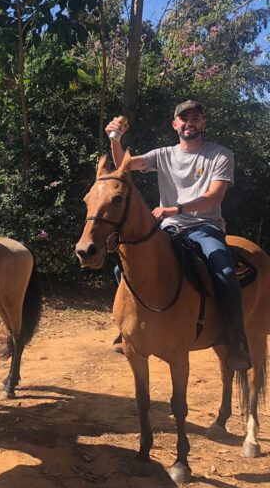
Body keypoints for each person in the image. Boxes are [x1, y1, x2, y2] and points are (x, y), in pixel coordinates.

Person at [106, 100, 251, 370]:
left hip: (205, 227)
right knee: (123, 269)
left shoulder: (220, 155)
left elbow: (213, 197)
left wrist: (175, 208)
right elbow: (124, 167)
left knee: (226, 273)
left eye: (195, 117)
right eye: (184, 119)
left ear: (203, 123)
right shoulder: (163, 154)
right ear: (175, 125)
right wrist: (116, 140)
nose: (189, 122)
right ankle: (127, 329)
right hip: (169, 228)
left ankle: (235, 339)